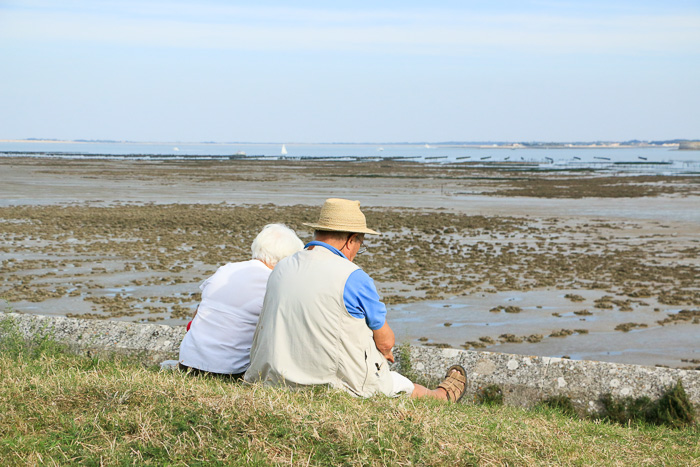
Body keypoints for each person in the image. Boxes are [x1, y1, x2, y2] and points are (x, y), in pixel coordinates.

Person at [245, 198, 466, 401]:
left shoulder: (282, 267)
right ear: (351, 240)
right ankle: (441, 397)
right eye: (361, 244)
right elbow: (386, 341)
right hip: (335, 384)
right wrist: (385, 352)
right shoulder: (353, 277)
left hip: (273, 378)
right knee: (403, 385)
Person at [178, 223, 304, 378]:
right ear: (288, 257)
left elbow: (199, 311)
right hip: (230, 371)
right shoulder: (274, 282)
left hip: (187, 363)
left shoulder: (227, 269)